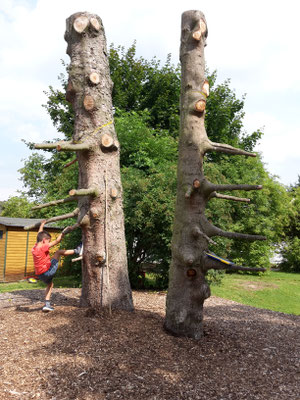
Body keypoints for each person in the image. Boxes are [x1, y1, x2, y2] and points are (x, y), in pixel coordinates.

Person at [31, 220, 82, 312]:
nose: (48, 243)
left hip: (40, 275)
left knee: (50, 284)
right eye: (48, 241)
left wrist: (42, 225)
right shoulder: (43, 247)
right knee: (58, 252)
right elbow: (57, 241)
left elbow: (39, 234)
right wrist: (64, 232)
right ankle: (77, 251)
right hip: (48, 272)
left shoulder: (35, 247)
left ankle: (47, 305)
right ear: (44, 241)